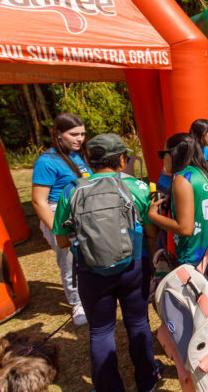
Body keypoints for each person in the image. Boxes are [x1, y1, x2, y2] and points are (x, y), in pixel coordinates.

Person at [53, 134, 161, 392]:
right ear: (122, 160)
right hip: (133, 267)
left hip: (91, 272)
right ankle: (147, 381)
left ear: (90, 161)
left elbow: (61, 240)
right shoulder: (138, 187)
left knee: (100, 332)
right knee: (138, 324)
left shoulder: (72, 189)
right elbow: (151, 233)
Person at [31, 113, 90, 326]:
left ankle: (91, 295)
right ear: (58, 134)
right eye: (74, 134)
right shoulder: (47, 162)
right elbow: (39, 201)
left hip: (81, 212)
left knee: (85, 257)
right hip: (59, 215)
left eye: (82, 134)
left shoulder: (77, 155)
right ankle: (77, 303)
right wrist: (58, 230)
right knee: (69, 261)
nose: (79, 139)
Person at [148, 133, 208, 266]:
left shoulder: (182, 179)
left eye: (163, 154)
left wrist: (153, 215)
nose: (162, 160)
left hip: (193, 262)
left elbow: (185, 228)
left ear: (174, 154)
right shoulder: (204, 174)